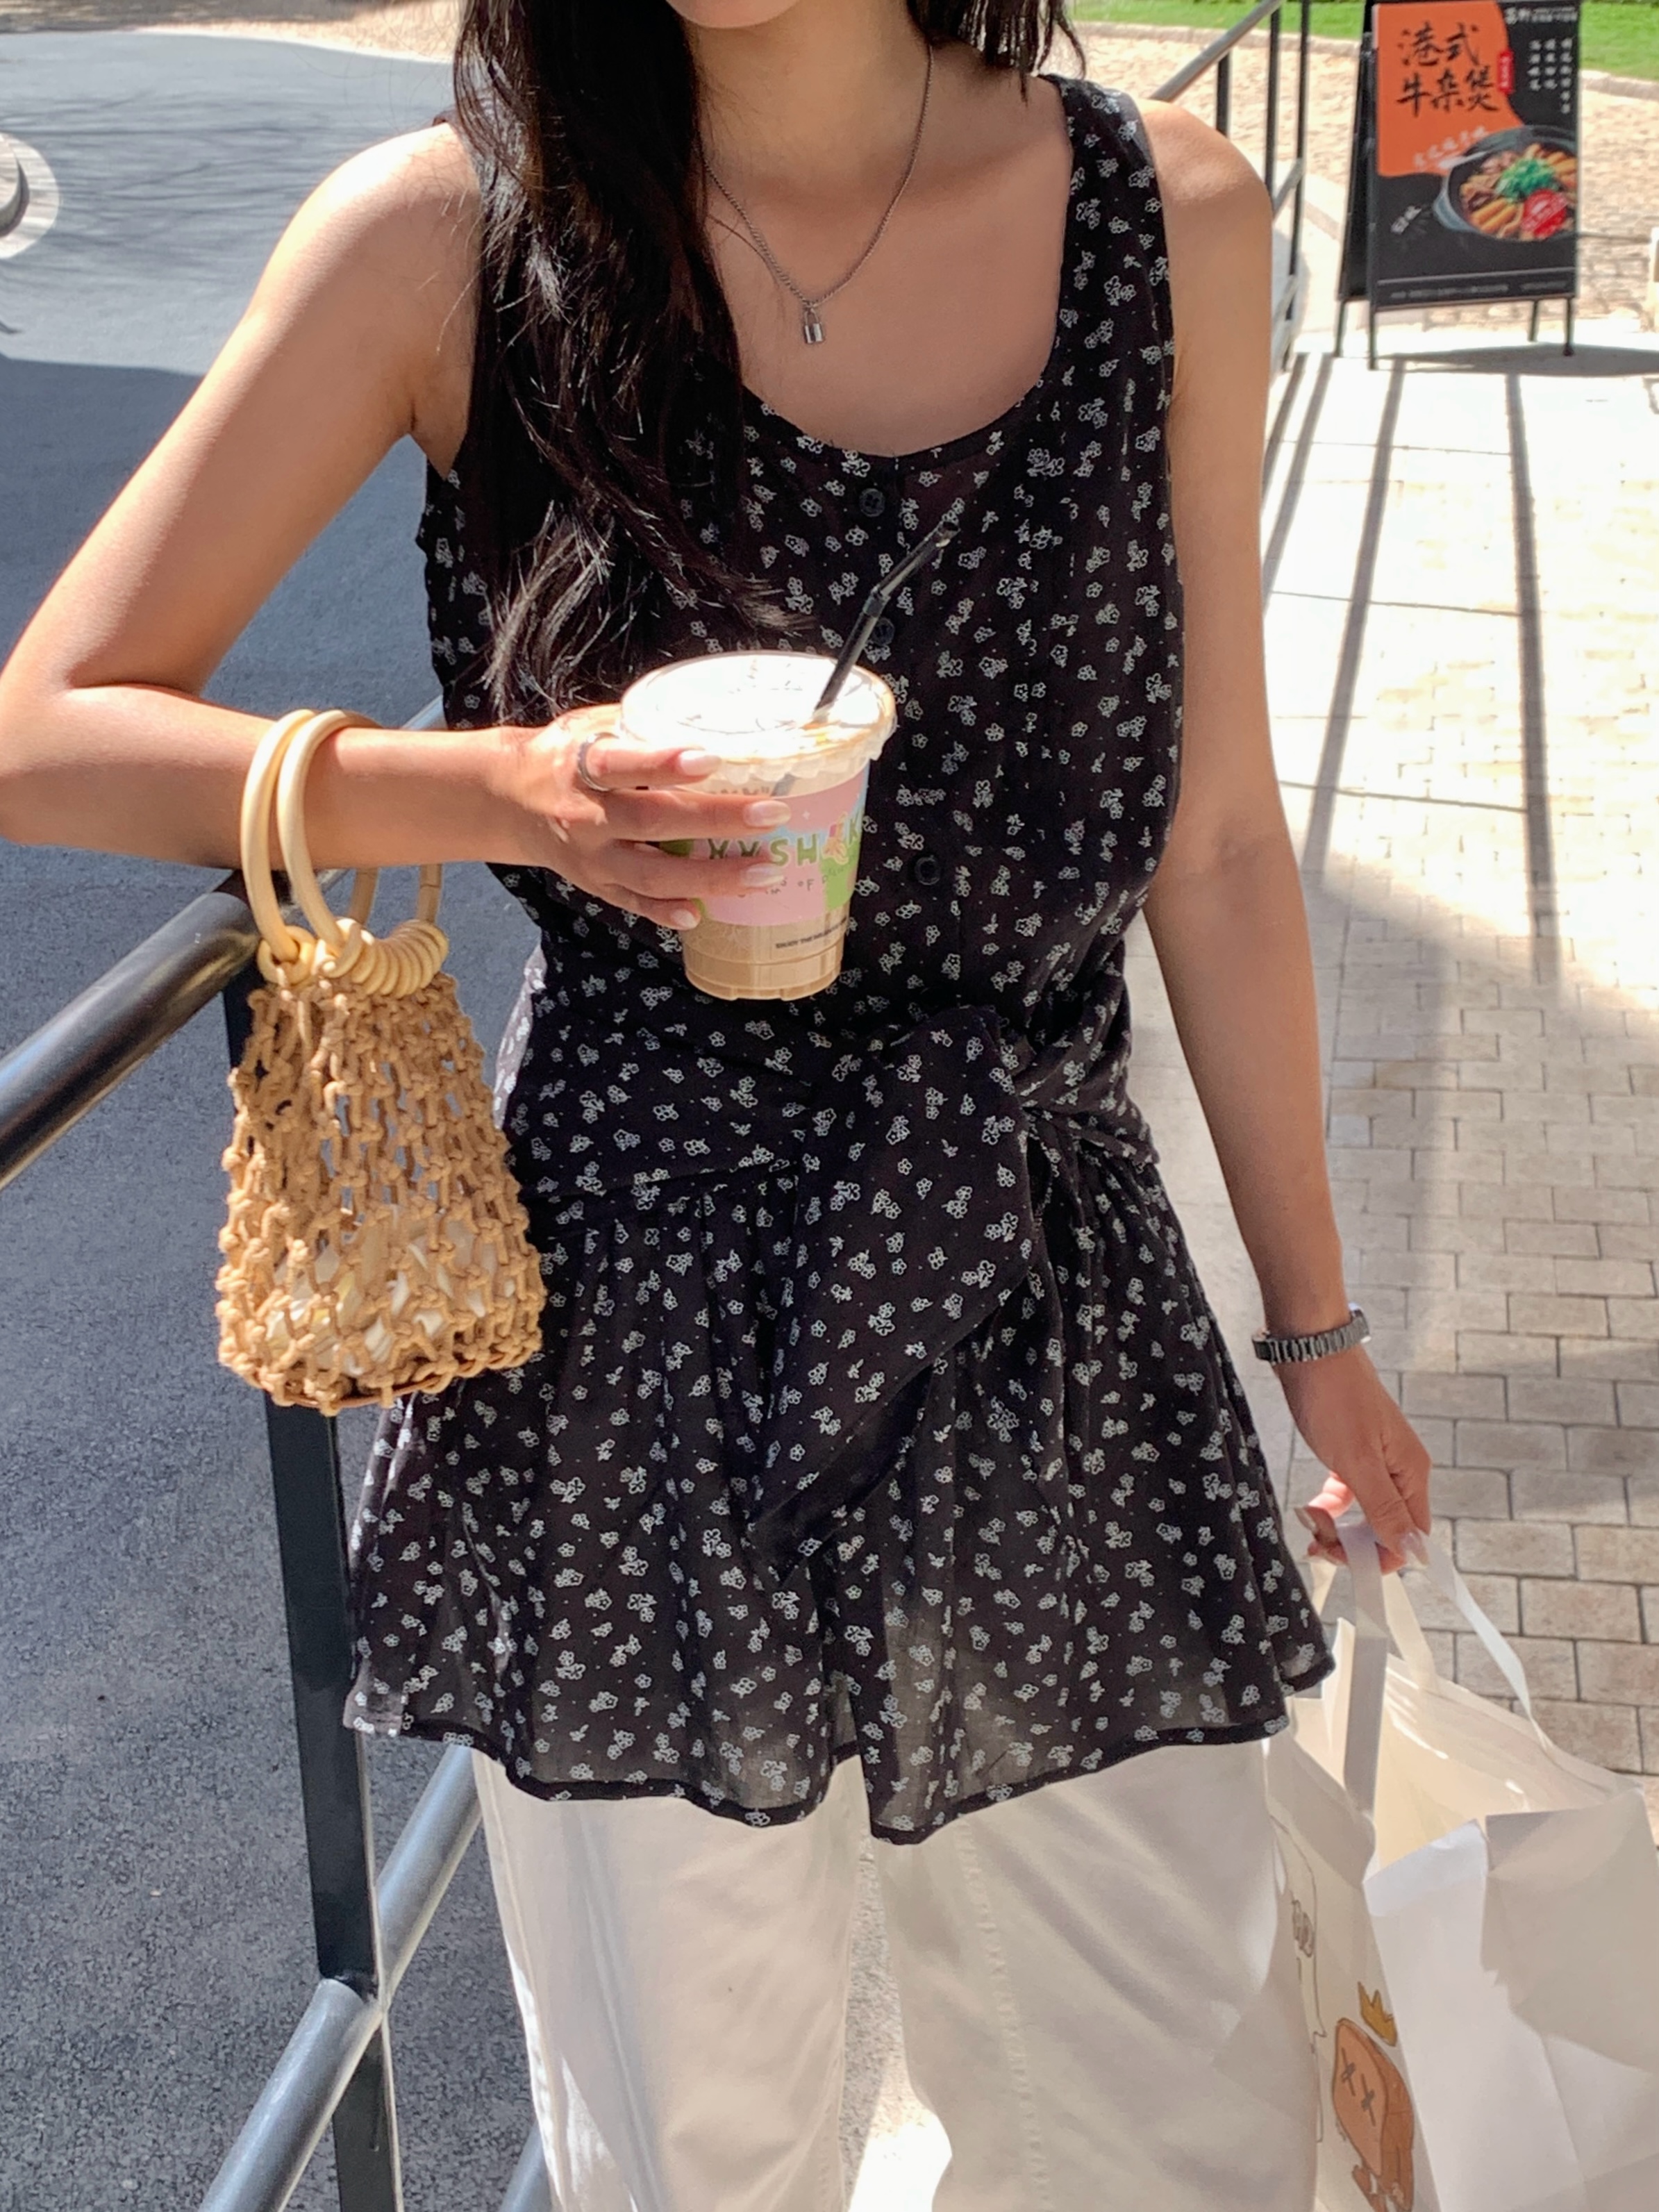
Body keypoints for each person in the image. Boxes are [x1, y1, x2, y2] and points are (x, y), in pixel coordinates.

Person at [0, 1, 1434, 2204]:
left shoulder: (1170, 220)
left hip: (1041, 1295)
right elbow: (46, 727)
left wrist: (1318, 1330)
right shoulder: (455, 240)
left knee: (1170, 2113)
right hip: (629, 1320)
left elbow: (1221, 842)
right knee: (699, 2152)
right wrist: (504, 793)